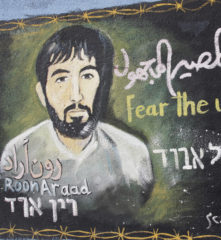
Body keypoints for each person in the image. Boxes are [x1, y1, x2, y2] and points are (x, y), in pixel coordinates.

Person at [0, 25, 153, 224]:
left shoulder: (133, 153)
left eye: (87, 75)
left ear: (102, 85)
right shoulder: (17, 153)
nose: (75, 94)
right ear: (42, 93)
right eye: (61, 78)